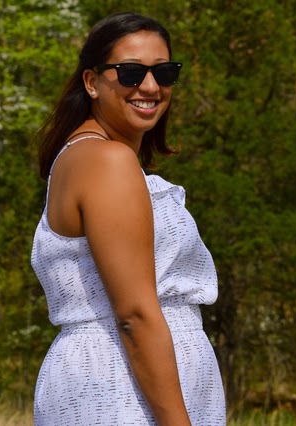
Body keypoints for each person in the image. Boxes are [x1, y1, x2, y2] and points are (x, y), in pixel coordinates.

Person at [31, 12, 226, 425]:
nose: (151, 86)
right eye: (132, 71)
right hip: (120, 388)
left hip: (131, 382)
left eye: (165, 72)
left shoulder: (93, 157)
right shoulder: (106, 160)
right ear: (91, 82)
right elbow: (134, 315)